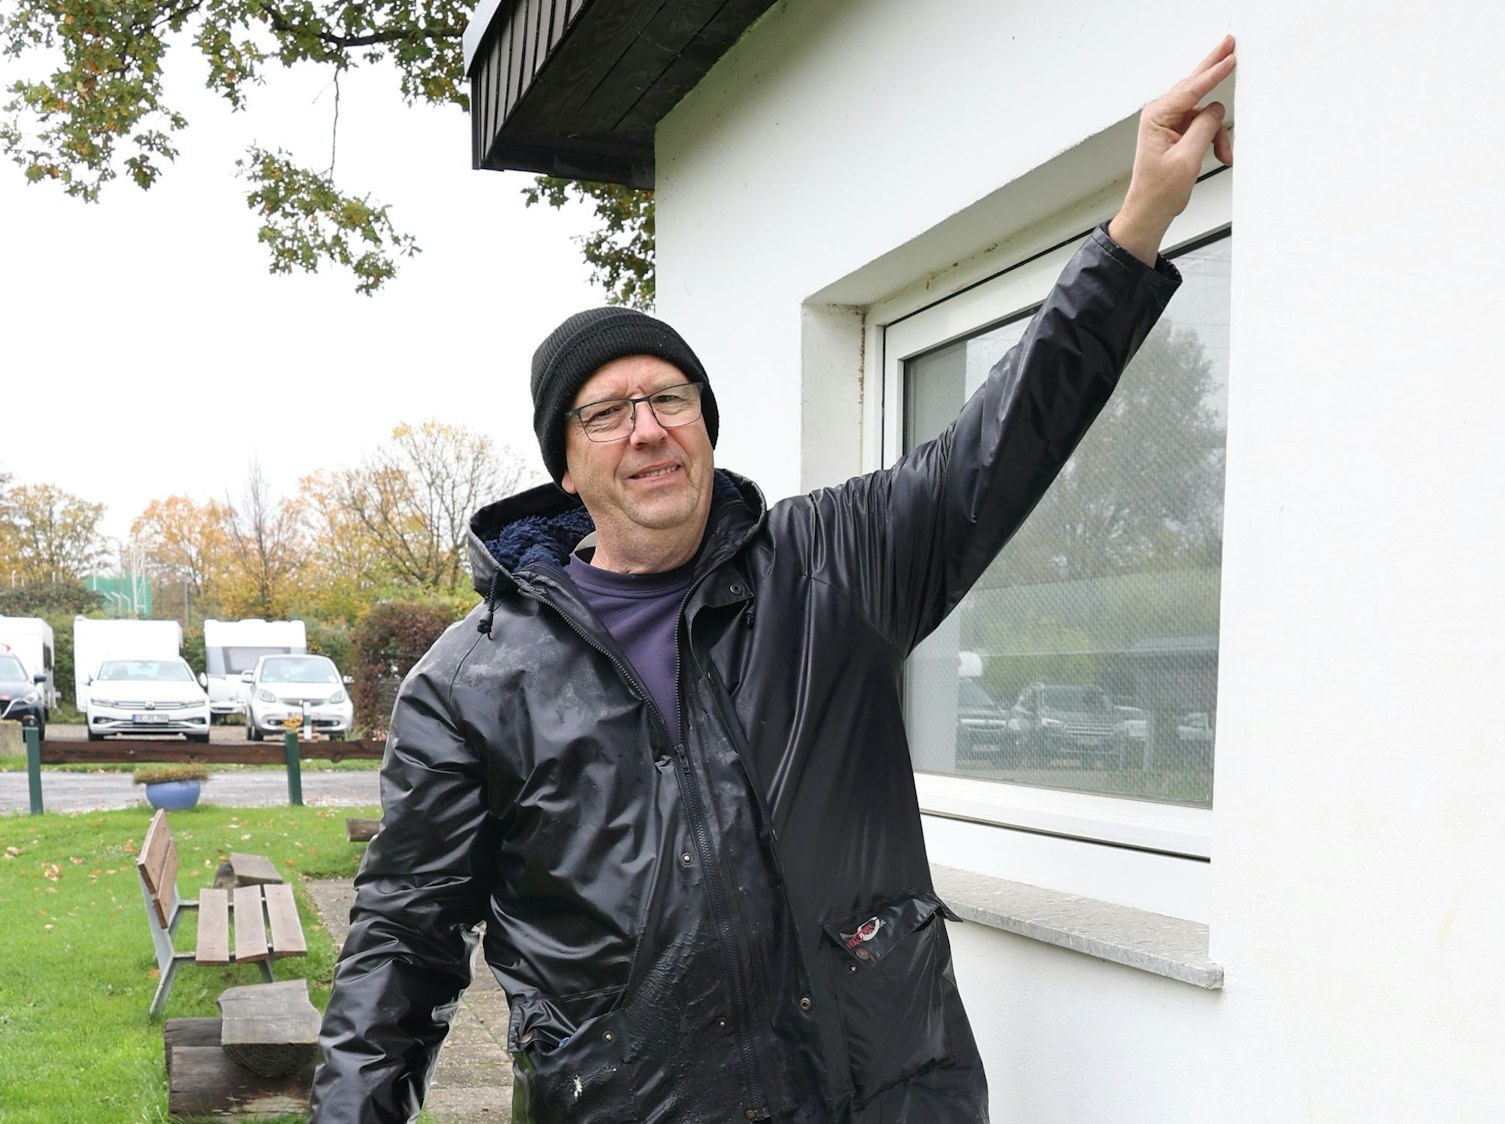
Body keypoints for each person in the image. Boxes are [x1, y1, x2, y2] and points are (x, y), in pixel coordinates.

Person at [311, 37, 1237, 1124]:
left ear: (707, 423)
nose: (648, 430)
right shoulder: (468, 686)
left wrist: (1130, 235)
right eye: (607, 412)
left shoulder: (833, 564)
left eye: (672, 398)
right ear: (565, 463)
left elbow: (1001, 444)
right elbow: (401, 944)